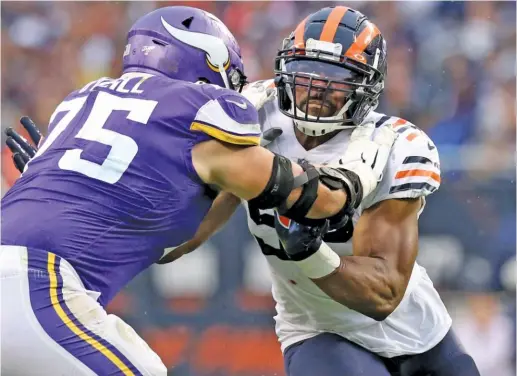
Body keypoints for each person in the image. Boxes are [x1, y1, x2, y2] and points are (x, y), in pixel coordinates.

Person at [0, 6, 397, 376]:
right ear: (211, 69)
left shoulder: (81, 101)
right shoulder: (197, 110)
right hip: (38, 288)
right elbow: (320, 200)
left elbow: (168, 244)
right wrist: (356, 171)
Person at [158, 5, 481, 376]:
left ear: (367, 84)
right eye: (305, 71)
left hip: (421, 335)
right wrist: (144, 235)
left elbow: (385, 293)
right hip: (318, 330)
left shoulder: (395, 144)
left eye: (334, 76)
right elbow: (192, 224)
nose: (315, 86)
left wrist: (309, 253)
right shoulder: (253, 114)